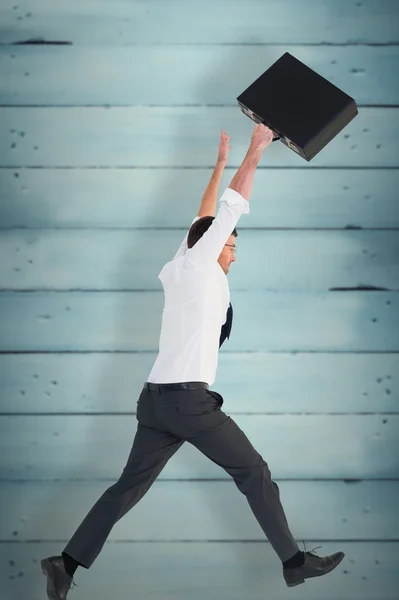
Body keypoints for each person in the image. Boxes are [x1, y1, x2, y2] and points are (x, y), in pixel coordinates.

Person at [41, 124, 344, 599]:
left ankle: (66, 563)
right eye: (231, 246)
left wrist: (220, 164)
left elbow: (203, 218)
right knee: (254, 473)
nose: (233, 255)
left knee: (127, 488)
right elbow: (227, 208)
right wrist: (254, 151)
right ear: (213, 245)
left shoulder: (181, 264)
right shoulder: (202, 262)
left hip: (155, 402)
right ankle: (293, 562)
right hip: (187, 403)